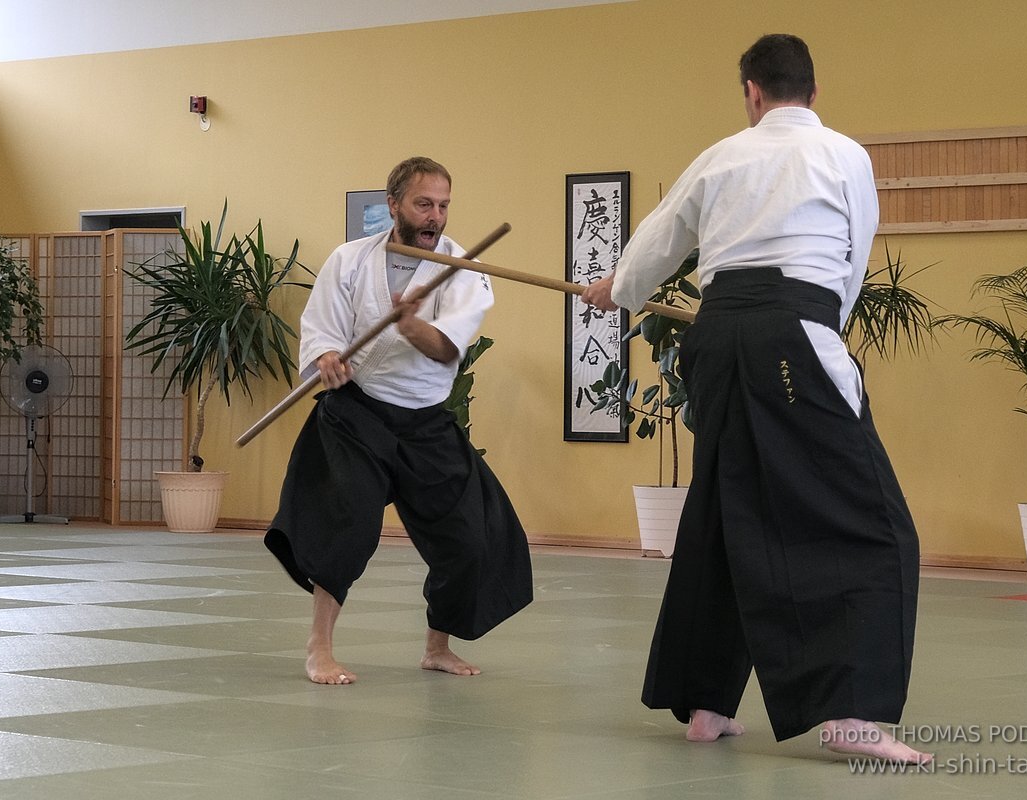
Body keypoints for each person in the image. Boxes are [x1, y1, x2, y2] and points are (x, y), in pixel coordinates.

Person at [581, 35, 929, 764]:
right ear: (813, 89)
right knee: (875, 524)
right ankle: (852, 715)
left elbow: (657, 240)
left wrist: (617, 289)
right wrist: (821, 334)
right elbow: (852, 259)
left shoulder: (720, 156)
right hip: (793, 334)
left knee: (722, 511)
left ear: (751, 92)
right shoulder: (844, 155)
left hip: (713, 340)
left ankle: (704, 703)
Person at [266, 156, 532, 686]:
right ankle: (319, 648)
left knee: (470, 537)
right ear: (394, 205)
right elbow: (322, 330)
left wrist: (410, 324)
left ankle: (438, 646)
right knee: (348, 524)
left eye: (443, 205)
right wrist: (327, 359)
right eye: (423, 203)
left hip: (426, 416)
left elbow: (443, 348)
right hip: (358, 412)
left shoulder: (464, 269)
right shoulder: (349, 260)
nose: (435, 216)